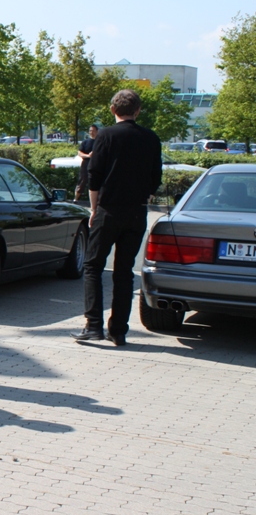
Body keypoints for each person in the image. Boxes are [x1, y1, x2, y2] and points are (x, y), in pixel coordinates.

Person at [72, 90, 162, 347]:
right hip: (137, 212)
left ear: (113, 109)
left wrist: (93, 209)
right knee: (124, 272)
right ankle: (119, 330)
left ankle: (93, 325)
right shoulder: (151, 138)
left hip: (108, 210)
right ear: (138, 111)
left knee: (93, 266)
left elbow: (94, 175)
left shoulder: (106, 136)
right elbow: (156, 177)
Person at [75, 124, 98, 202]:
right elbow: (79, 153)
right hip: (86, 164)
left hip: (96, 164)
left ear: (97, 131)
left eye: (93, 131)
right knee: (82, 181)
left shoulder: (100, 142)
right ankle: (76, 199)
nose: (91, 132)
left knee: (96, 182)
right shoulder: (85, 142)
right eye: (90, 131)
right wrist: (88, 156)